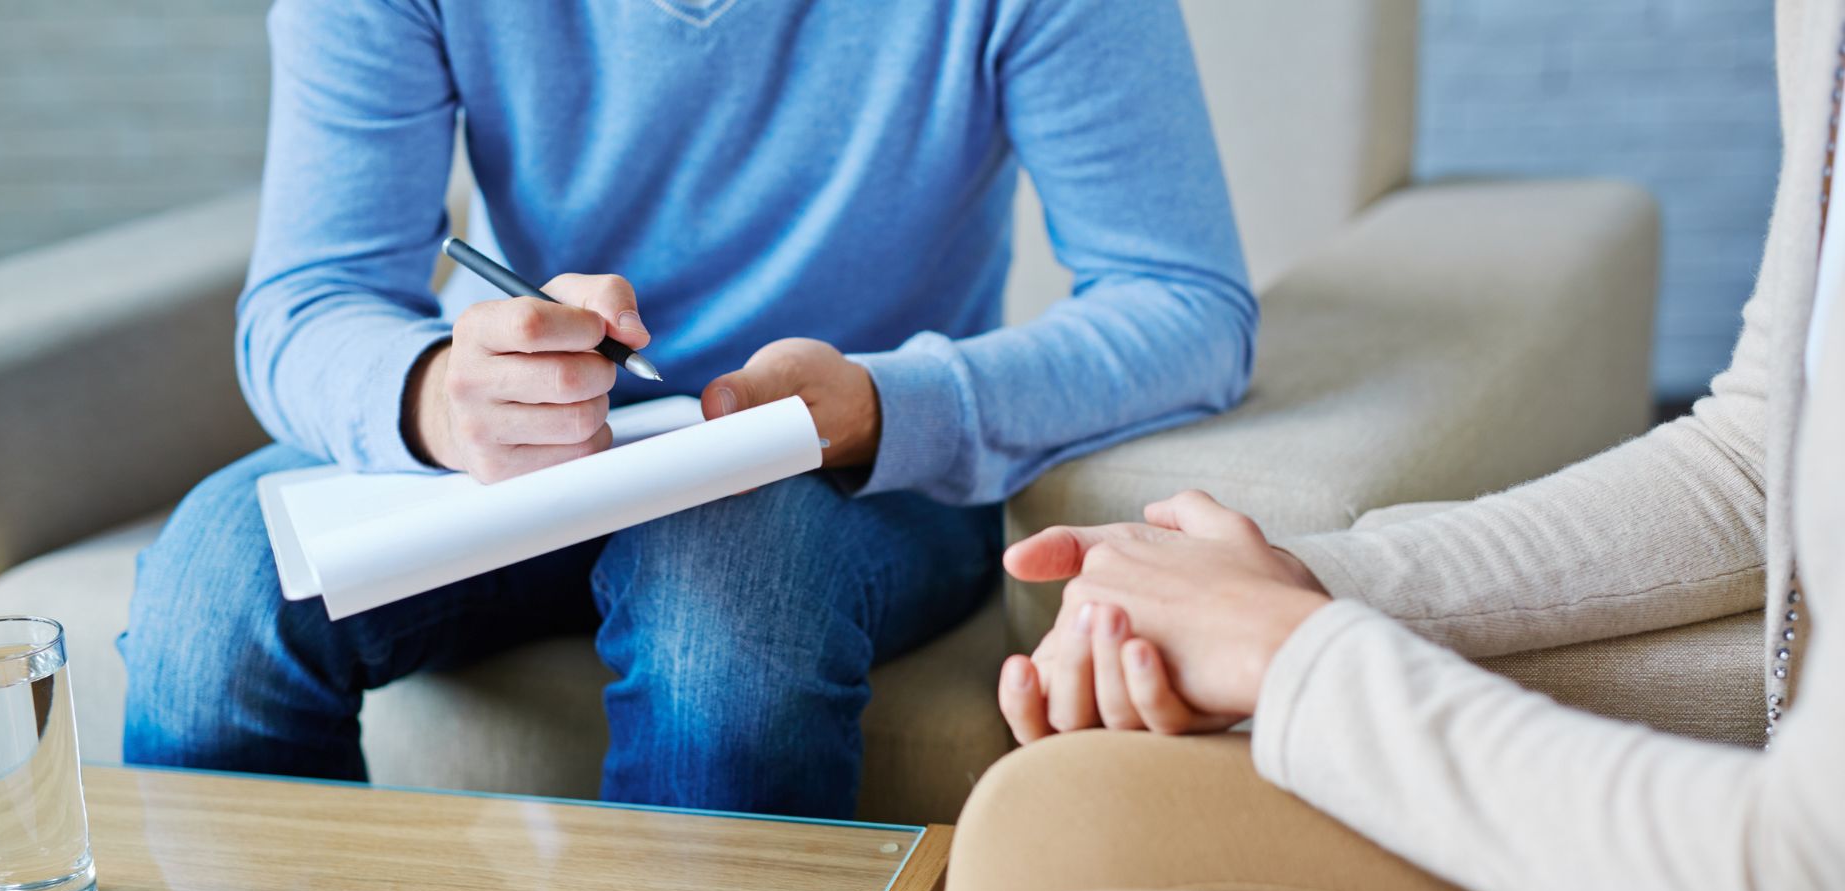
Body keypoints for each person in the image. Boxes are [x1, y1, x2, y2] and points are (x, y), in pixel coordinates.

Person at [898, 0, 1845, 891]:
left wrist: (1297, 659)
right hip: (1791, 787)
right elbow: (1760, 453)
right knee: (1056, 815)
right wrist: (1293, 589)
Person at [115, 0, 1254, 818]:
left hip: (855, 466)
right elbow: (309, 303)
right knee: (219, 585)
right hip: (510, 464)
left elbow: (1185, 301)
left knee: (728, 601)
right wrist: (435, 398)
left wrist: (878, 404)